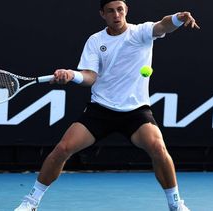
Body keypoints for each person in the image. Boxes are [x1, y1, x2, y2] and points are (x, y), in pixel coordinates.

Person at [15, 0, 199, 210]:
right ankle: (30, 202)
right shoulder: (95, 41)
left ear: (126, 10)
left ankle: (176, 204)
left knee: (158, 147)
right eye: (111, 11)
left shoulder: (140, 33)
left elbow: (163, 25)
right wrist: (71, 75)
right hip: (101, 110)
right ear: (102, 14)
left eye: (120, 10)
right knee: (62, 149)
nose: (117, 15)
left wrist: (178, 18)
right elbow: (90, 77)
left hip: (136, 112)